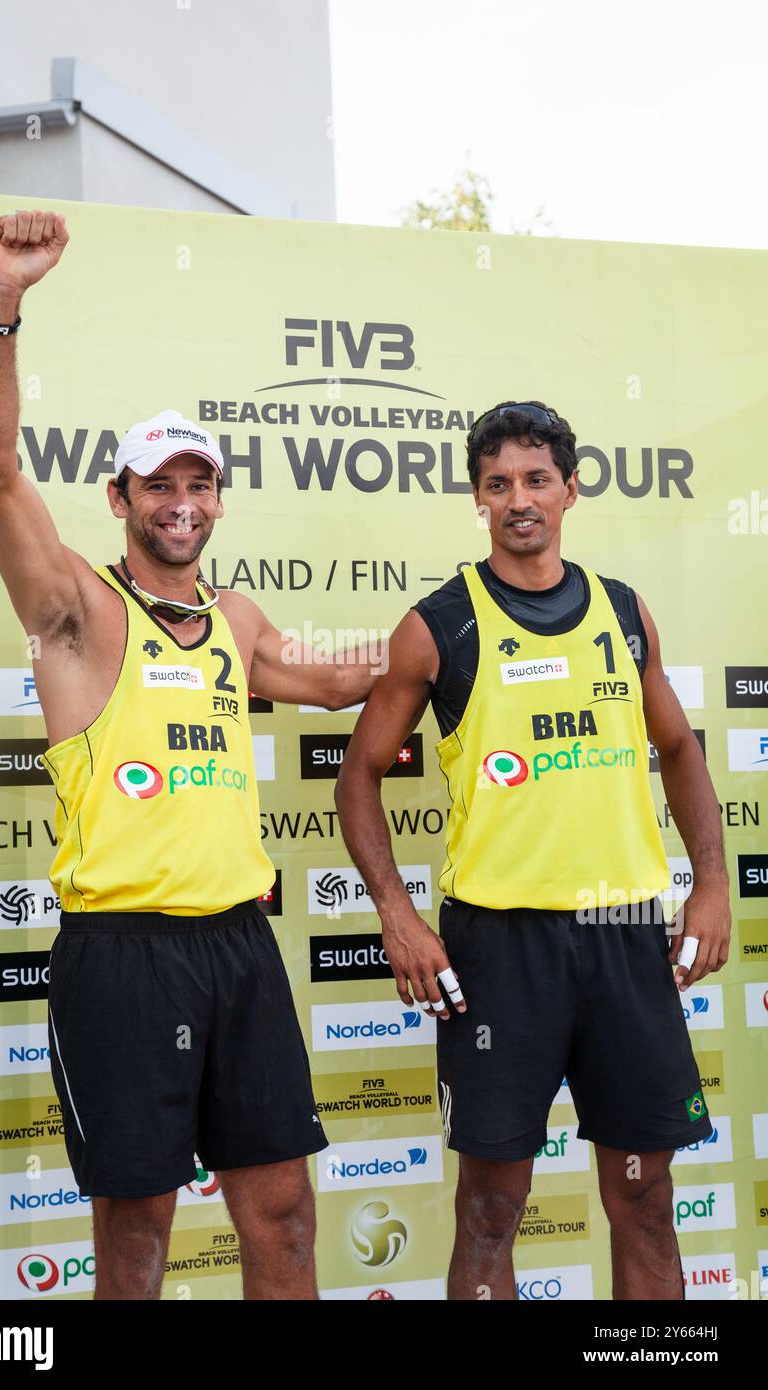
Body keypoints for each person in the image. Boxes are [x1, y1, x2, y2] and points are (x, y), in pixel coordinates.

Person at [0, 209, 383, 1301]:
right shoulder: (77, 611)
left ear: (217, 499)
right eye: (159, 484)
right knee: (137, 1237)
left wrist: (459, 626)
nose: (181, 503)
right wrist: (0, 304)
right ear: (121, 498)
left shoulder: (236, 620)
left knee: (285, 1220)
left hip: (239, 947)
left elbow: (340, 674)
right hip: (123, 958)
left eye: (198, 484)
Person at [335, 401, 731, 1301]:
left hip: (626, 933)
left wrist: (711, 884)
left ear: (571, 489)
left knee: (645, 1199)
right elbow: (358, 777)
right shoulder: (439, 625)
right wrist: (396, 914)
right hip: (498, 947)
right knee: (488, 1210)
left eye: (536, 480)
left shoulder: (625, 615)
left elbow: (679, 750)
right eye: (498, 483)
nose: (519, 498)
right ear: (476, 498)